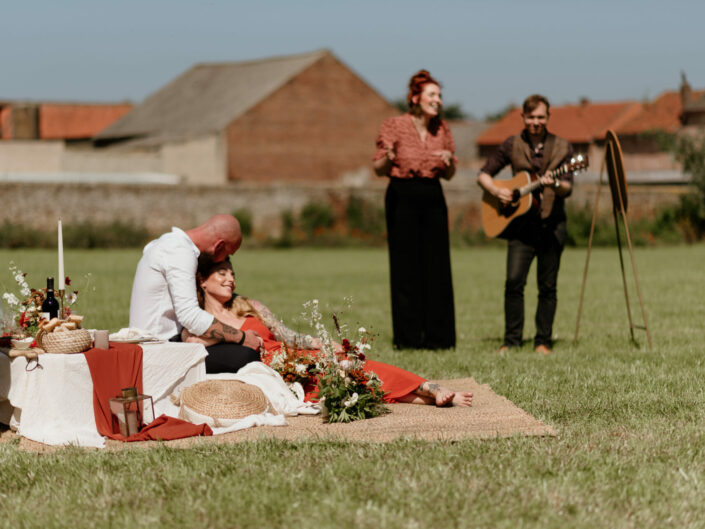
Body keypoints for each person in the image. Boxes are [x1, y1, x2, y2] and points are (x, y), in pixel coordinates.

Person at [182, 255, 473, 407]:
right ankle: (423, 397)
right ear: (202, 280)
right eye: (222, 272)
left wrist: (322, 343)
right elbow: (189, 347)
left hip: (293, 356)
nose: (230, 279)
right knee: (345, 389)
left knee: (354, 368)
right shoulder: (197, 322)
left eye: (232, 273)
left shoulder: (250, 305)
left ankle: (428, 388)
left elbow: (288, 335)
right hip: (271, 373)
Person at [477, 94, 574, 355]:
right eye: (531, 117)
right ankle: (511, 341)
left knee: (548, 285)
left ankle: (542, 341)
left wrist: (554, 183)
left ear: (548, 117)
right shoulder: (511, 144)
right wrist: (498, 192)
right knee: (513, 282)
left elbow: (567, 187)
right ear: (523, 117)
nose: (535, 122)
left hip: (552, 225)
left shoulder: (563, 147)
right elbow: (484, 174)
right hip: (520, 228)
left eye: (540, 117)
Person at [372, 69, 456, 350]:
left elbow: (450, 175)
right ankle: (408, 339)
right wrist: (389, 157)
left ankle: (439, 338)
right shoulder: (394, 125)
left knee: (437, 267)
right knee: (405, 267)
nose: (438, 100)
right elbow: (378, 167)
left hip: (433, 194)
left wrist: (449, 162)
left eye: (440, 96)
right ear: (416, 97)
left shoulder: (442, 129)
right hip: (402, 195)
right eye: (433, 95)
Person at [129, 214, 262, 373]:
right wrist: (242, 337)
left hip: (163, 343)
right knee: (246, 356)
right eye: (227, 254)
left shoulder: (167, 243)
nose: (225, 260)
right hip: (157, 350)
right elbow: (190, 315)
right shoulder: (180, 252)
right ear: (219, 246)